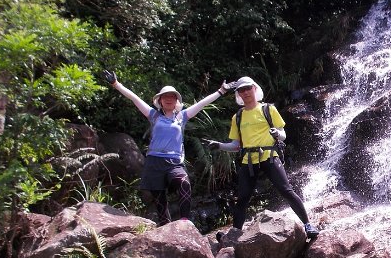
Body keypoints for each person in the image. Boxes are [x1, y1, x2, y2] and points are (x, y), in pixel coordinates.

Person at [108, 70, 233, 224]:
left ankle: (185, 221)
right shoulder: (153, 115)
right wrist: (116, 84)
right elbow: (135, 98)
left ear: (176, 101)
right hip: (154, 161)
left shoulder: (182, 117)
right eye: (165, 97)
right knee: (160, 200)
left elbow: (202, 104)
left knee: (184, 183)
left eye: (172, 97)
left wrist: (221, 91)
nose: (168, 99)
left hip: (174, 161)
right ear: (160, 101)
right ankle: (166, 230)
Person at [206, 76, 319, 238]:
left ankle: (308, 225)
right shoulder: (237, 117)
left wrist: (277, 134)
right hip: (249, 161)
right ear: (238, 94)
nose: (245, 93)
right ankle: (234, 235)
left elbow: (283, 135)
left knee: (286, 190)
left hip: (269, 156)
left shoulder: (268, 109)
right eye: (241, 90)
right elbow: (236, 145)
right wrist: (219, 145)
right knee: (243, 198)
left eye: (247, 89)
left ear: (254, 89)